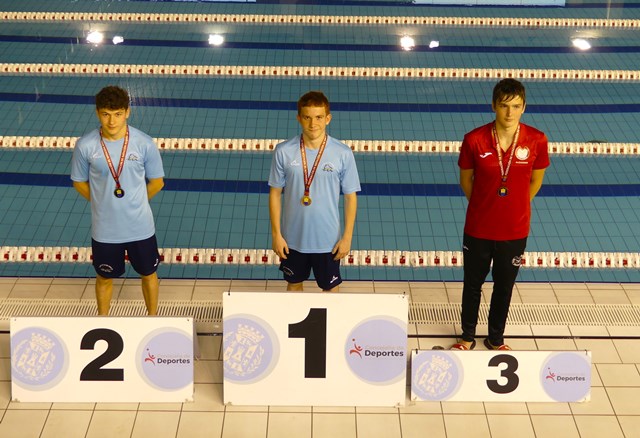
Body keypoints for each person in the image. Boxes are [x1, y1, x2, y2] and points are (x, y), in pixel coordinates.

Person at [451, 79, 550, 351]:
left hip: (514, 230)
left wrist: (516, 204)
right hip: (478, 228)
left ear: (524, 107)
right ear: (494, 105)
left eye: (516, 106)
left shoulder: (537, 140)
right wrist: (484, 205)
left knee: (504, 287)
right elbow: (466, 181)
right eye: (504, 106)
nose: (509, 113)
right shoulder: (474, 139)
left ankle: (496, 339)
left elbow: (536, 181)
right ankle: (467, 337)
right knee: (472, 284)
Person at [71, 85, 165, 315]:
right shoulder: (86, 145)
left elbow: (157, 182)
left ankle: (152, 318)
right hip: (105, 230)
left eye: (117, 114)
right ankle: (104, 321)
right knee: (104, 277)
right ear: (97, 113)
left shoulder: (143, 143)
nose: (112, 121)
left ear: (127, 112)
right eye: (106, 114)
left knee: (149, 274)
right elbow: (78, 182)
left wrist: (137, 201)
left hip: (140, 227)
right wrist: (100, 202)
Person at [268, 91, 361, 292]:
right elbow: (275, 194)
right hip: (292, 239)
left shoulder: (342, 153)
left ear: (328, 118)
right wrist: (277, 235)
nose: (313, 124)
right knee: (293, 287)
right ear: (299, 118)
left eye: (319, 117)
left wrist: (347, 238)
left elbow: (351, 197)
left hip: (329, 241)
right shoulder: (283, 151)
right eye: (307, 117)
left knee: (330, 291)